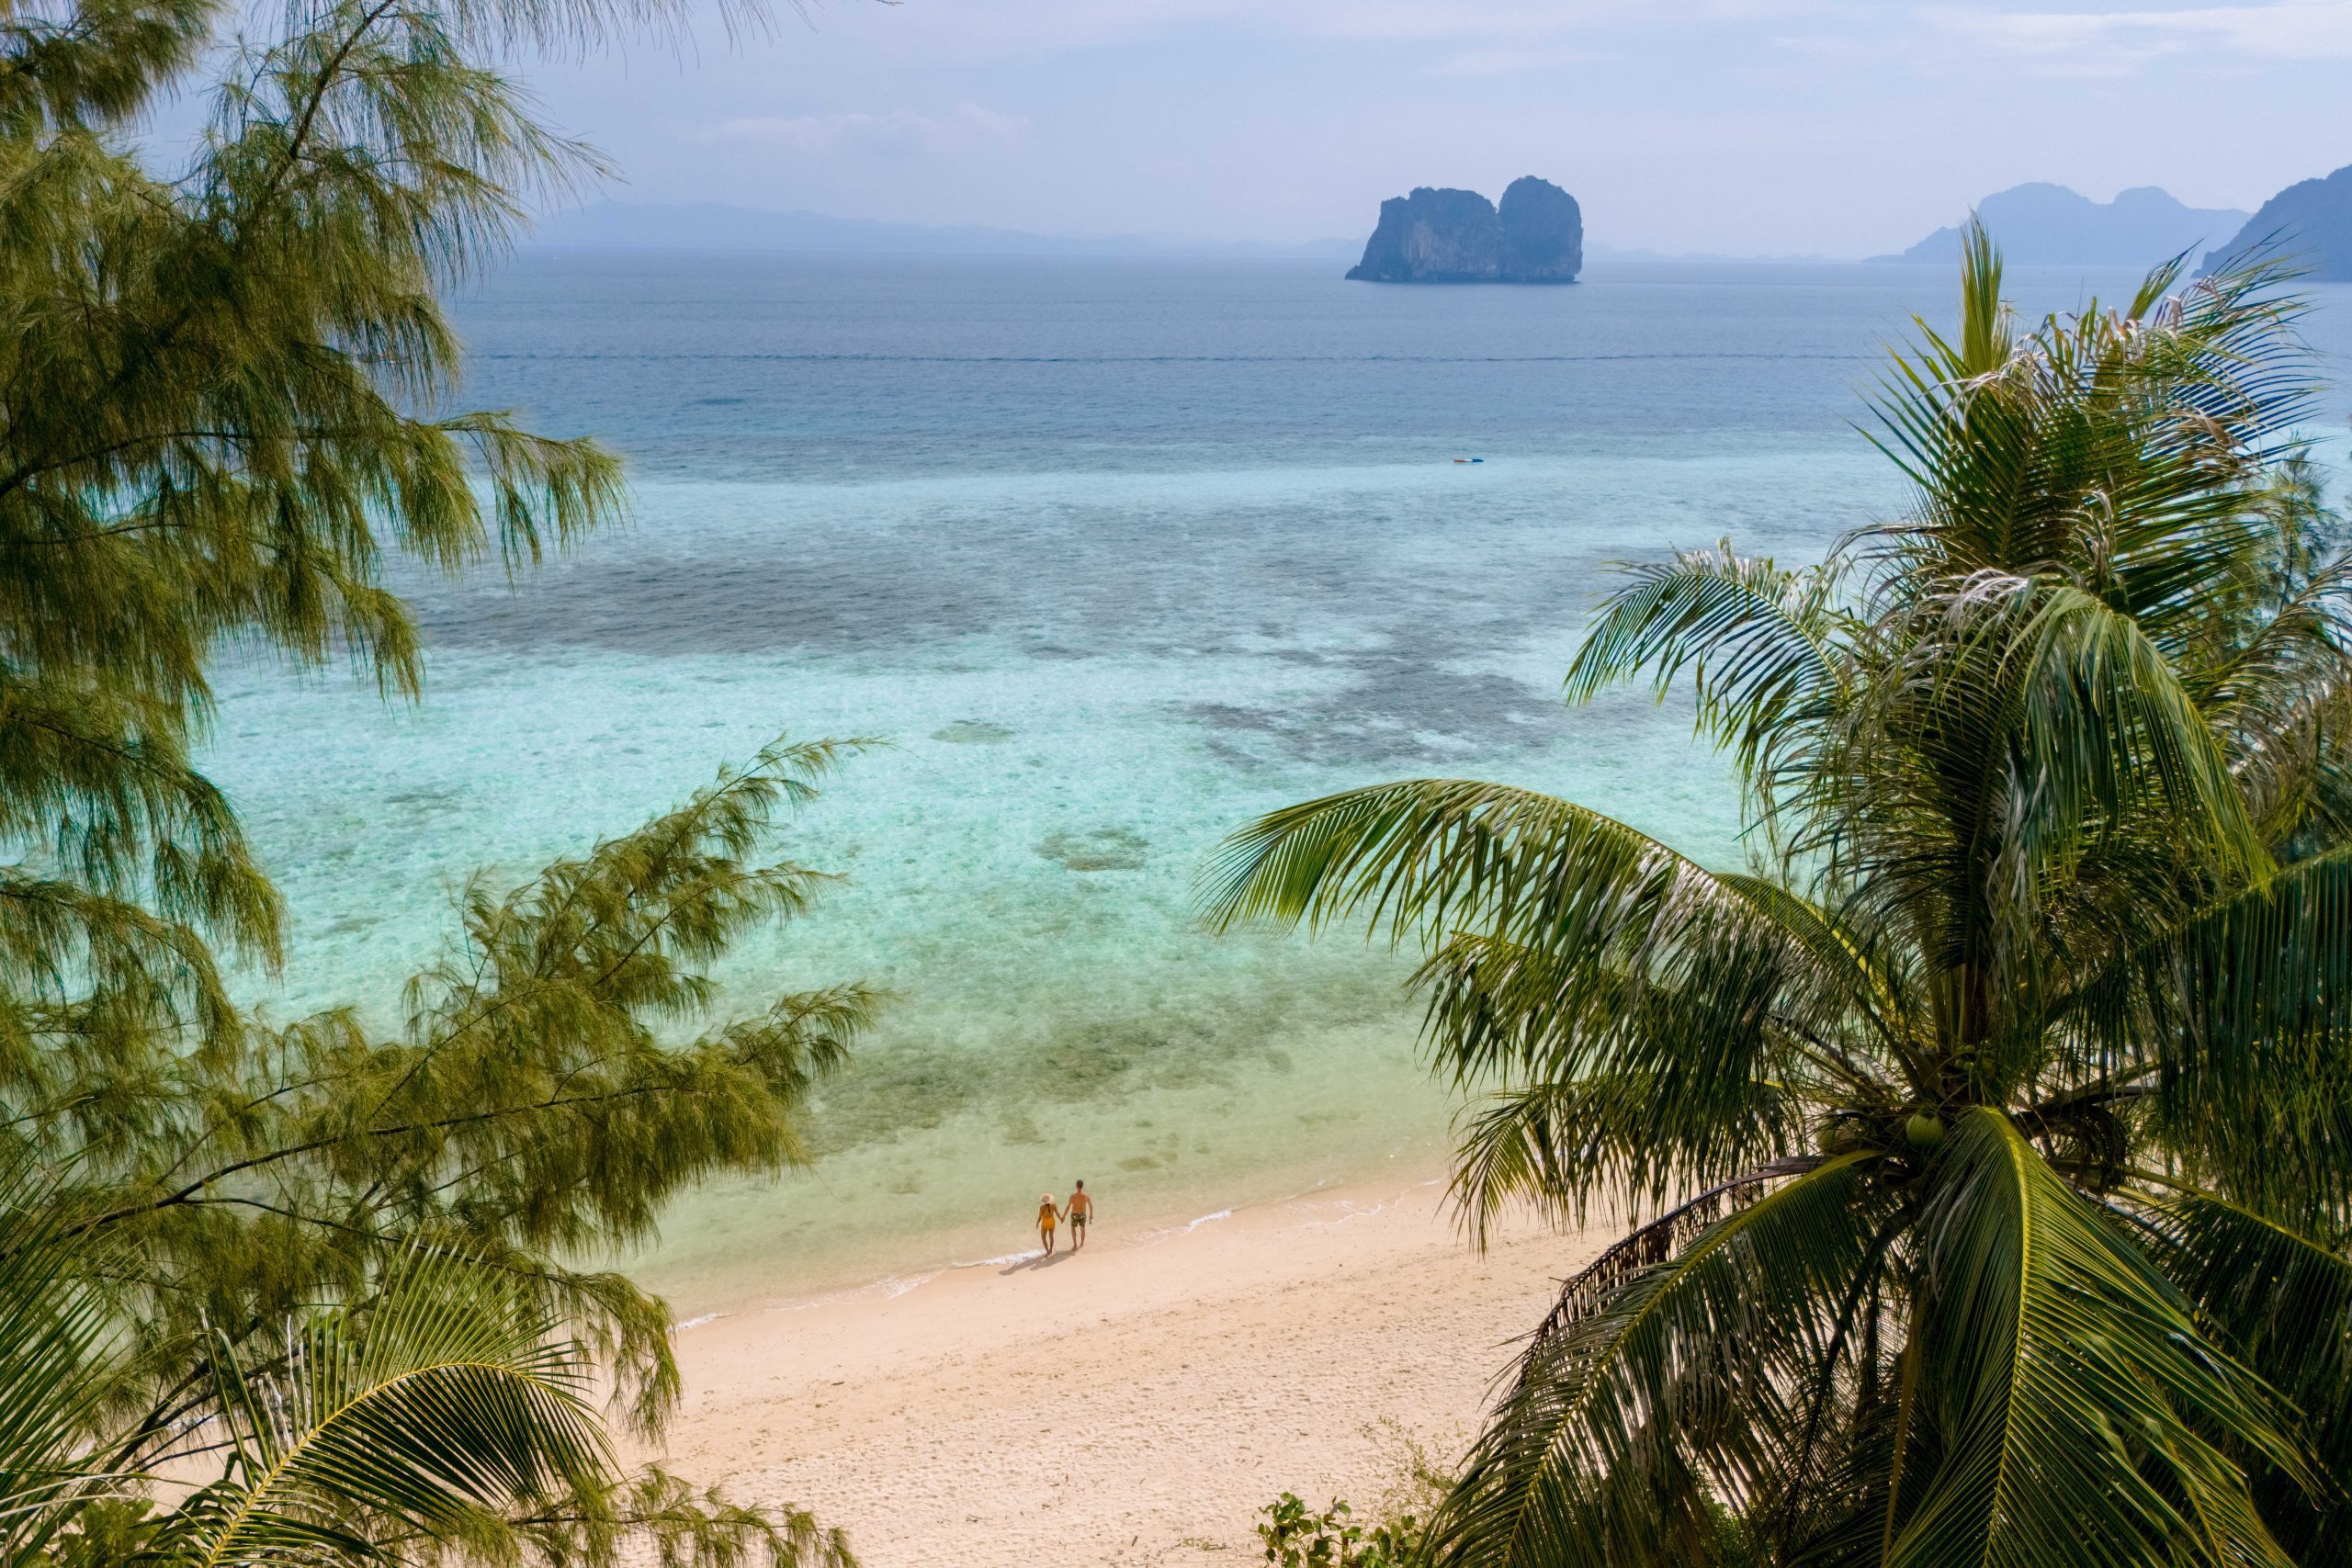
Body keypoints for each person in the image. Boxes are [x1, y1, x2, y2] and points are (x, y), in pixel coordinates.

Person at [1065, 1179, 1093, 1252]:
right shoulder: (1086, 1196)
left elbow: (1068, 1207)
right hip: (1083, 1214)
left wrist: (1063, 1216)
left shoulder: (1072, 1196)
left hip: (1074, 1214)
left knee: (1073, 1229)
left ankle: (1075, 1245)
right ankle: (1082, 1243)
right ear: (1082, 1186)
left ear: (1077, 1186)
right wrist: (1091, 1214)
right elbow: (1090, 1206)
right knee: (1082, 1229)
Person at [1035, 1191, 1060, 1257]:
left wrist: (1037, 1222)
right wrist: (1061, 1219)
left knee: (1043, 1238)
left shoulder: (1042, 1207)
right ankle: (1051, 1249)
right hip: (1052, 1222)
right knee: (1051, 1236)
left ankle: (1047, 1251)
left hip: (1045, 1223)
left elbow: (1040, 1217)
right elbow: (1057, 1213)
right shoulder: (1054, 1205)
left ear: (1044, 1201)